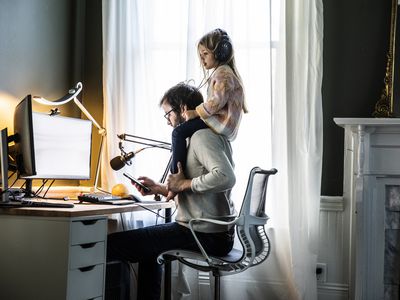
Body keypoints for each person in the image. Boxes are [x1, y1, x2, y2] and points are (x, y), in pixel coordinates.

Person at [106, 83, 237, 300]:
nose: (167, 120)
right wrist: (160, 188)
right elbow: (199, 184)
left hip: (205, 235)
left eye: (168, 113)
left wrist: (182, 185)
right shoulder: (203, 135)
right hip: (206, 231)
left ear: (182, 108)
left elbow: (226, 177)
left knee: (113, 245)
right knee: (149, 250)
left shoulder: (202, 137)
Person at [169, 28, 248, 178]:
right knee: (184, 131)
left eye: (205, 54)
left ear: (220, 53)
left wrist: (195, 112)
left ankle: (176, 176)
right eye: (200, 55)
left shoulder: (223, 74)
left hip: (219, 123)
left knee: (178, 132)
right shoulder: (223, 72)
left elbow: (216, 102)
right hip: (220, 123)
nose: (202, 58)